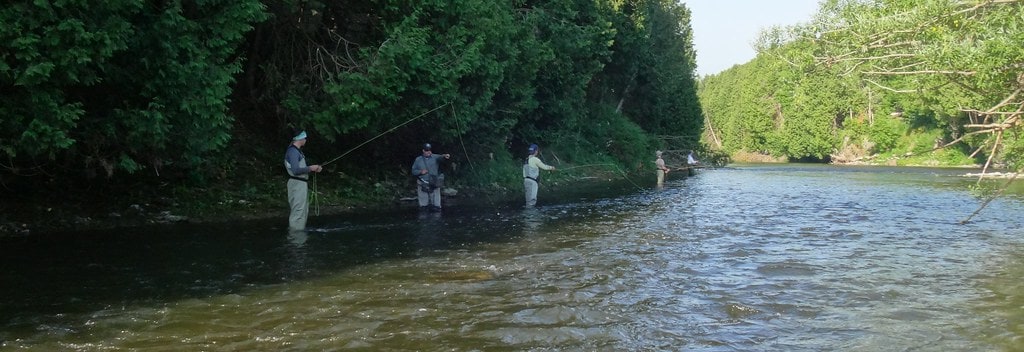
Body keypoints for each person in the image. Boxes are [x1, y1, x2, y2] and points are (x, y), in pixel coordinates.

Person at [284, 130, 322, 231]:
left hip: (301, 184)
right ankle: (295, 239)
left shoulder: (297, 151)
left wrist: (314, 168)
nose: (305, 140)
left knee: (303, 210)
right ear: (299, 139)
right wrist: (311, 168)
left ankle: (299, 238)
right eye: (304, 138)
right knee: (298, 211)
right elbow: (296, 170)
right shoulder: (293, 152)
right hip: (297, 184)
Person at [411, 143, 450, 211]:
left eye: (429, 150)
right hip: (422, 183)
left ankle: (436, 219)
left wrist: (445, 156)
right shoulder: (418, 159)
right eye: (427, 150)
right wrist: (420, 172)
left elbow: (441, 157)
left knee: (437, 207)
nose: (429, 151)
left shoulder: (435, 157)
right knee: (423, 208)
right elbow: (413, 171)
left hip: (434, 183)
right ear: (423, 150)